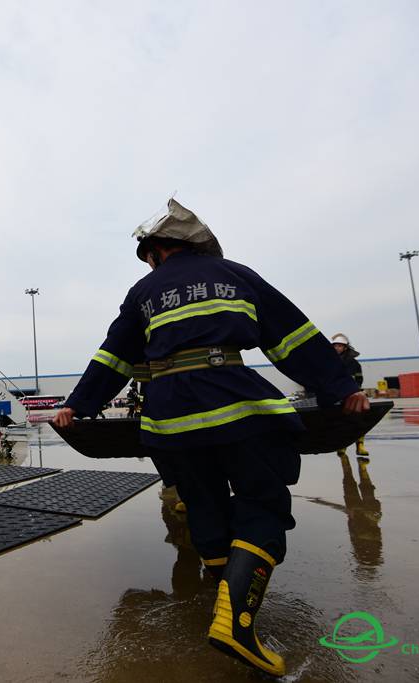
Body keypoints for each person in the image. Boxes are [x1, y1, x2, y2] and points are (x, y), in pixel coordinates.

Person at [54, 198, 369, 677]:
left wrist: (77, 405)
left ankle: (222, 592)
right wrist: (342, 387)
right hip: (234, 405)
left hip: (171, 420)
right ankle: (237, 623)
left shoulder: (142, 292)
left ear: (161, 249)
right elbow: (292, 337)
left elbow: (113, 357)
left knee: (204, 504)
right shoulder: (237, 275)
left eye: (149, 254)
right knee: (262, 504)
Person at [331, 333, 369, 458]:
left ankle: (360, 445)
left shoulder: (354, 364)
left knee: (359, 420)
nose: (337, 348)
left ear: (345, 347)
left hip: (353, 395)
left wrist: (355, 390)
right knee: (342, 421)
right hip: (337, 396)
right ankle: (343, 445)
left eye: (340, 346)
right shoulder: (330, 362)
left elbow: (359, 379)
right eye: (335, 345)